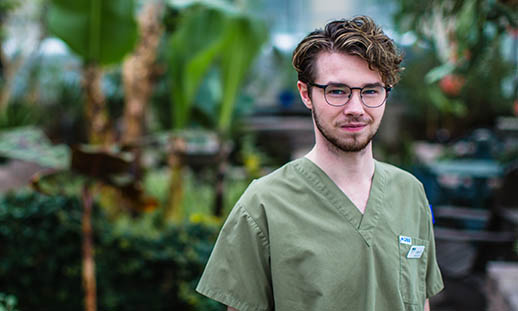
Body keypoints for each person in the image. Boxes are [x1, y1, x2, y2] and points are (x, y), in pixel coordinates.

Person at [196, 16, 444, 311]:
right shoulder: (264, 205)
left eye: (370, 91)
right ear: (306, 94)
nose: (356, 108)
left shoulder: (410, 192)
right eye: (337, 91)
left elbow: (421, 302)